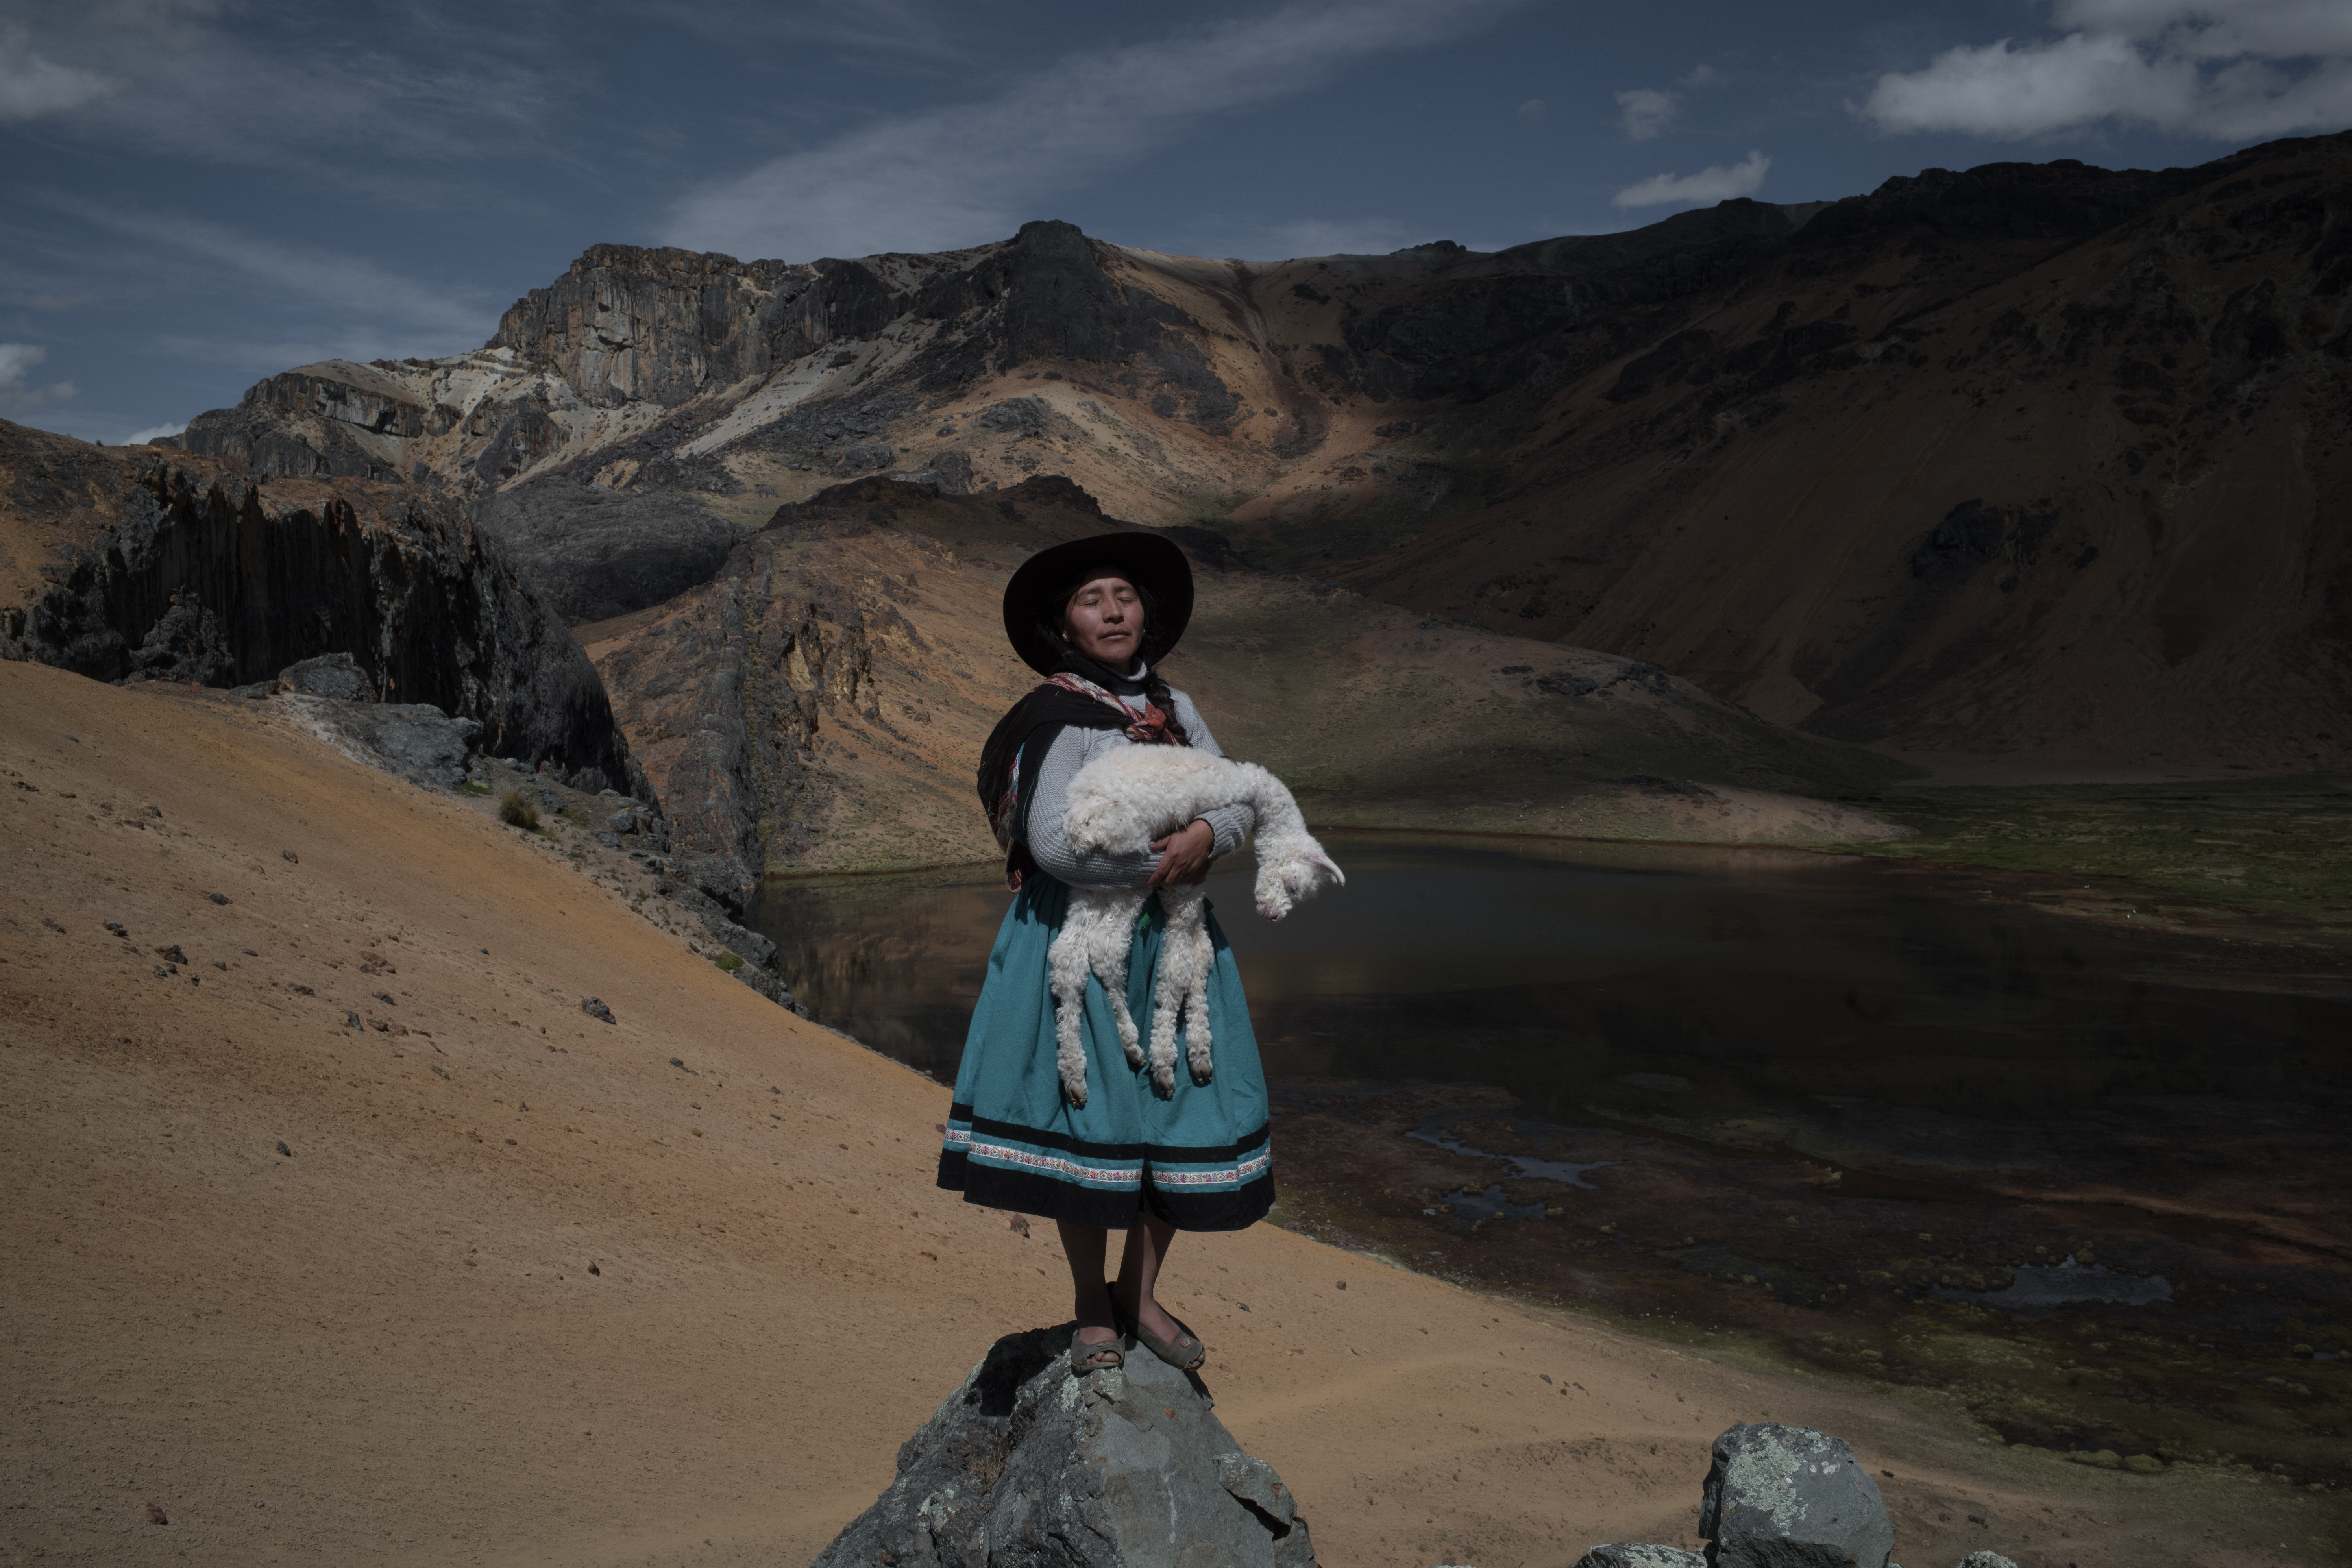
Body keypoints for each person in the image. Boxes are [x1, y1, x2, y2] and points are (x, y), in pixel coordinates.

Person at [937, 531, 1273, 1374]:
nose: (1113, 610)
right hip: (1080, 946)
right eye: (1093, 600)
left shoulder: (1178, 710)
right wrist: (1161, 863)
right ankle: (1092, 1303)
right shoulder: (1061, 719)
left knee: (1175, 1105)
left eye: (1123, 595)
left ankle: (1139, 1292)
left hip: (1172, 940)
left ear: (1146, 612)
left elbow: (1238, 798)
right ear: (1065, 626)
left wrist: (1204, 831)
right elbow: (1052, 843)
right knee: (1088, 1121)